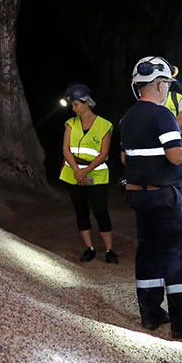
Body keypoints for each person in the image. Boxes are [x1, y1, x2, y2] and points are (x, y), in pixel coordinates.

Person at [120, 55, 182, 340]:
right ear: (160, 84)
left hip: (137, 195)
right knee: (176, 253)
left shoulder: (128, 117)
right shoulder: (163, 115)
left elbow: (125, 158)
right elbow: (175, 156)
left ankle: (150, 313)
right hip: (163, 196)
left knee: (147, 251)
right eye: (167, 83)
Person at [58, 83, 117, 264]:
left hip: (96, 174)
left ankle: (109, 250)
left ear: (86, 103)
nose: (73, 109)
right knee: (81, 210)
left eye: (76, 105)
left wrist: (85, 171)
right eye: (72, 105)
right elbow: (65, 149)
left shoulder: (104, 125)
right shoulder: (70, 123)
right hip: (73, 174)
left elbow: (103, 153)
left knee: (100, 211)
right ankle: (89, 248)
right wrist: (77, 171)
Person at [163, 82, 182, 198]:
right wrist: (174, 121)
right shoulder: (147, 97)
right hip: (156, 153)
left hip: (176, 148)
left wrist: (157, 125)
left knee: (178, 191)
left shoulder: (175, 97)